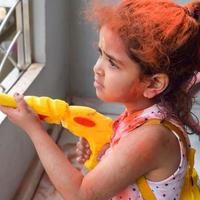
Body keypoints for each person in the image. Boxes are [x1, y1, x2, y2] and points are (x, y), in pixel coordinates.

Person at [0, 0, 200, 199]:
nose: (97, 68)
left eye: (112, 63)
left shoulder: (152, 137)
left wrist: (34, 129)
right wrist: (104, 153)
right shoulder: (144, 114)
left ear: (154, 84)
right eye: (101, 53)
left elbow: (80, 194)